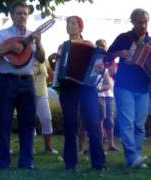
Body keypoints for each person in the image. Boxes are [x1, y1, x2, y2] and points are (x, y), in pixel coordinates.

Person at [0, 1, 45, 169]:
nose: (22, 16)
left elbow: (41, 58)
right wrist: (8, 47)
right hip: (6, 81)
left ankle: (26, 162)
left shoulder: (33, 35)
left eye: (25, 13)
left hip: (27, 83)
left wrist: (38, 43)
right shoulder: (3, 34)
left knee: (28, 123)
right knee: (3, 122)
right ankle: (3, 163)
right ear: (11, 16)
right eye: (19, 13)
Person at [55, 15, 106, 172]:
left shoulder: (90, 45)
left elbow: (99, 67)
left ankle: (98, 163)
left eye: (73, 23)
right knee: (70, 124)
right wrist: (56, 82)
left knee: (93, 123)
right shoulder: (62, 46)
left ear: (80, 27)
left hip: (86, 88)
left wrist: (99, 66)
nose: (70, 26)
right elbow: (58, 68)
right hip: (67, 87)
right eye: (68, 23)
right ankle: (70, 163)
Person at [105, 8, 151, 168]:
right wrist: (121, 52)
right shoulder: (123, 38)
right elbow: (107, 55)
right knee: (127, 123)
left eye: (145, 22)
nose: (143, 25)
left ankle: (135, 156)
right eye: (140, 22)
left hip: (143, 87)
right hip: (124, 86)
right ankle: (133, 157)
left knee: (140, 125)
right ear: (132, 22)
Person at [96, 39, 120, 152]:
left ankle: (111, 144)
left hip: (109, 94)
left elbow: (113, 72)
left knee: (109, 120)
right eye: (100, 46)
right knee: (99, 120)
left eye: (104, 46)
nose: (102, 48)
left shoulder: (111, 60)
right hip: (98, 94)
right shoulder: (94, 60)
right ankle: (100, 145)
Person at [33, 59, 58, 154]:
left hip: (42, 94)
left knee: (46, 119)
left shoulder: (44, 60)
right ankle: (29, 148)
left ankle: (48, 147)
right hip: (27, 94)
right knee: (29, 122)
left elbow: (51, 75)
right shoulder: (24, 58)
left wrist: (43, 84)